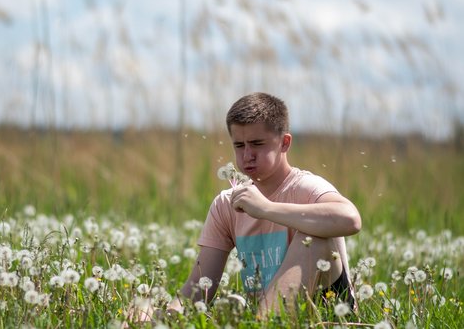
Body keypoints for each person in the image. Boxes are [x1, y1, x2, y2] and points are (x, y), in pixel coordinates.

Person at [135, 92, 361, 321]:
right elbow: (200, 287)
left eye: (257, 144)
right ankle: (254, 320)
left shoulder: (305, 187)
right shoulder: (227, 203)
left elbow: (351, 219)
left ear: (285, 143)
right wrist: (158, 318)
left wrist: (265, 208)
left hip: (330, 314)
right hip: (264, 313)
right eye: (239, 145)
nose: (247, 155)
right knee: (146, 315)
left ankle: (260, 323)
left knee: (313, 241)